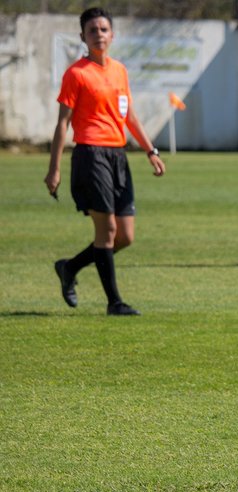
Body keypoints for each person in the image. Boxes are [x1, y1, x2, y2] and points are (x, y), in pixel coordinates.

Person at [44, 6, 165, 316]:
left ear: (113, 34)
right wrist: (54, 168)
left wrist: (151, 150)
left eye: (103, 29)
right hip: (90, 154)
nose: (99, 34)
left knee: (125, 236)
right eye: (92, 30)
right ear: (83, 36)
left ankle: (69, 267)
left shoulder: (119, 70)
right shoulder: (76, 74)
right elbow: (62, 124)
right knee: (107, 230)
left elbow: (129, 116)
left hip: (117, 156)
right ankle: (115, 303)